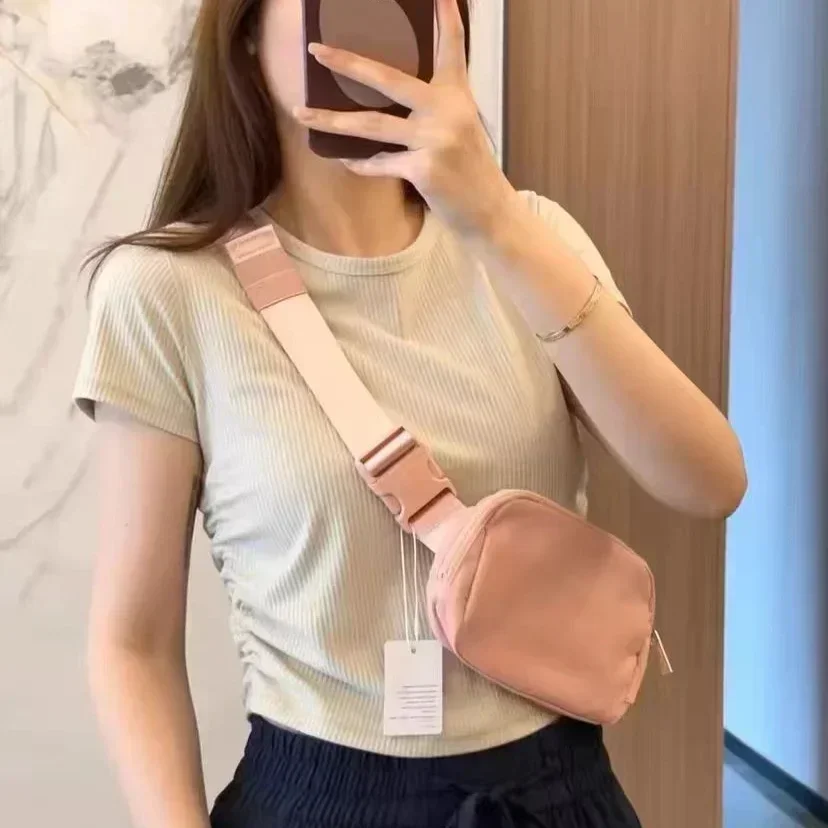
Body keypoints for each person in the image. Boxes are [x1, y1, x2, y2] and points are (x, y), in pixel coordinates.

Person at [74, 0, 748, 826]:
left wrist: (494, 217)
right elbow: (133, 643)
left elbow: (707, 482)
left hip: (556, 791)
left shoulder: (532, 238)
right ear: (246, 31)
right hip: (315, 797)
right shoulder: (166, 291)